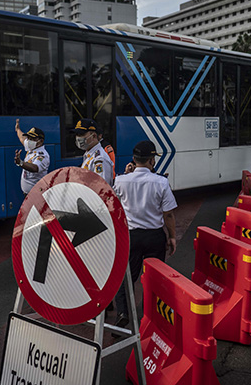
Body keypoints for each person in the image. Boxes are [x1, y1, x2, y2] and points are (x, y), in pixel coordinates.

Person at [112, 140, 177, 329]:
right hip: (154, 237)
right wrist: (171, 237)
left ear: (134, 159)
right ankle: (154, 316)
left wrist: (127, 175)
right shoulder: (161, 182)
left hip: (131, 237)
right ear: (151, 161)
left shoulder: (120, 180)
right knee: (155, 278)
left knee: (126, 278)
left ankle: (123, 313)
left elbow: (113, 204)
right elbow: (169, 214)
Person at [72, 118, 114, 185]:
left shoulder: (100, 159)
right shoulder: (89, 155)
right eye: (77, 134)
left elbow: (101, 187)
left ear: (94, 135)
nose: (78, 138)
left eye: (81, 134)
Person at [14, 119, 50, 195]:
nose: (28, 141)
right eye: (28, 138)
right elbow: (22, 138)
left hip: (37, 195)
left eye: (32, 139)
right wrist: (17, 129)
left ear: (40, 141)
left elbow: (35, 168)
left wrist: (20, 163)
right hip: (28, 194)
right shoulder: (31, 148)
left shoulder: (42, 155)